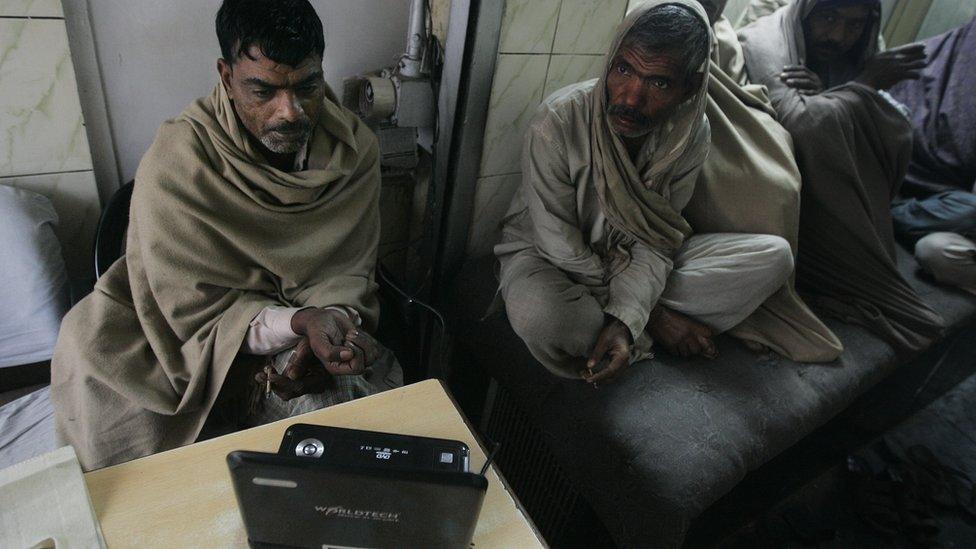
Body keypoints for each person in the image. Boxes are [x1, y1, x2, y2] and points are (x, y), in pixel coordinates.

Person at [51, 0, 401, 471]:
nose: (290, 113)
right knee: (91, 356)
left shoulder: (354, 151)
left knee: (358, 421)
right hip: (180, 330)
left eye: (307, 87)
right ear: (226, 76)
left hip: (300, 326)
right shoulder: (179, 158)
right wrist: (297, 323)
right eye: (264, 91)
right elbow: (185, 304)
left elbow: (346, 271)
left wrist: (331, 324)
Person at [495, 0, 796, 384]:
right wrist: (644, 313)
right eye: (623, 70)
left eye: (659, 83)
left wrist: (629, 311)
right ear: (611, 60)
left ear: (688, 88)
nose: (630, 98)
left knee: (774, 258)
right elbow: (559, 245)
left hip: (635, 263)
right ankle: (651, 329)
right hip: (553, 261)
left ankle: (625, 331)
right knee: (544, 317)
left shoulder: (691, 132)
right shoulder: (557, 122)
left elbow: (658, 240)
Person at [738, 0, 945, 353]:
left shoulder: (858, 49)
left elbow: (876, 128)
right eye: (828, 17)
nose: (838, 35)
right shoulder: (767, 40)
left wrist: (835, 94)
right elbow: (802, 126)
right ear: (807, 11)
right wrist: (863, 85)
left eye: (854, 24)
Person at [685, 0, 843, 362]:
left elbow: (744, 92)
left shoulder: (721, 29)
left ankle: (761, 297)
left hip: (731, 126)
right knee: (763, 188)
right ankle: (748, 307)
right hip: (692, 130)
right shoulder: (660, 13)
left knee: (780, 175)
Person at [888, 17, 976, 295]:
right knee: (936, 249)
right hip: (952, 206)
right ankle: (889, 214)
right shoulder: (945, 53)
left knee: (937, 249)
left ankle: (886, 216)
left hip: (958, 219)